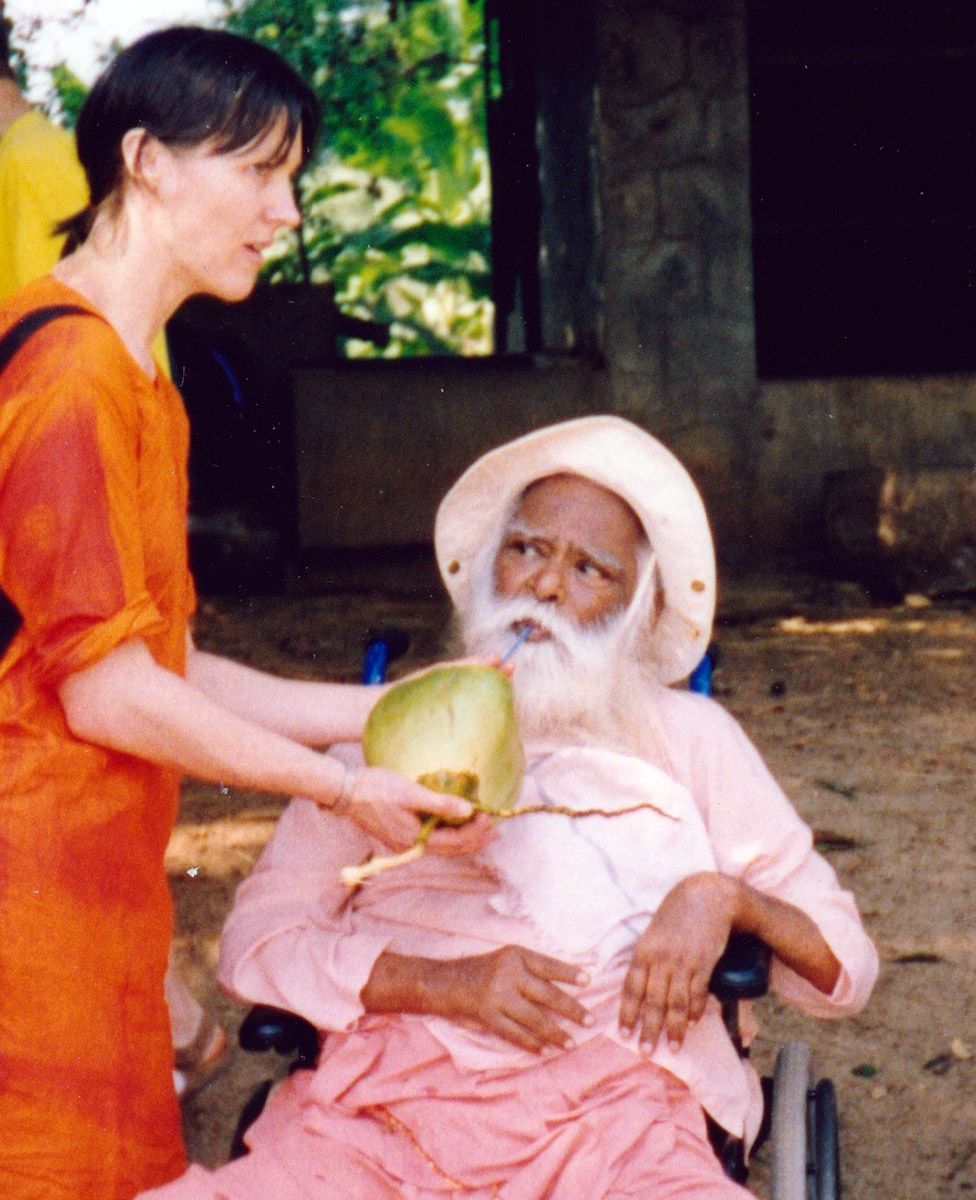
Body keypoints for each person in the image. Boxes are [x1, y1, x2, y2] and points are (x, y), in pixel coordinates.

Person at [141, 416, 879, 1200]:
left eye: (591, 569)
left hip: (618, 1128)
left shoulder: (691, 738)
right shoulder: (382, 730)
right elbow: (257, 940)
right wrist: (437, 983)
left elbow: (847, 965)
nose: (547, 586)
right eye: (527, 549)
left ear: (637, 611)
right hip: (375, 1121)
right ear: (491, 565)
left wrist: (723, 898)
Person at [0, 26, 485, 1200]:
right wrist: (337, 786)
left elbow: (160, 659)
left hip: (95, 883)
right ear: (148, 162)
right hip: (29, 894)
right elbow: (105, 691)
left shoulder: (139, 373)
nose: (287, 210)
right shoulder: (70, 380)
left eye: (293, 177)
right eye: (260, 170)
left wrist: (383, 710)